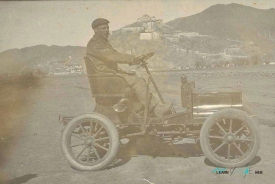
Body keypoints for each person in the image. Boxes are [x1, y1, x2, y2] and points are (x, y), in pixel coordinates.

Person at [86, 18, 171, 116]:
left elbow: (115, 54)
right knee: (137, 81)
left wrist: (134, 60)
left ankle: (140, 110)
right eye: (103, 28)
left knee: (135, 76)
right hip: (106, 78)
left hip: (108, 76)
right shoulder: (96, 44)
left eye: (107, 28)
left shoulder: (102, 43)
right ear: (95, 30)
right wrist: (133, 59)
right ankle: (155, 108)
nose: (106, 30)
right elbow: (112, 57)